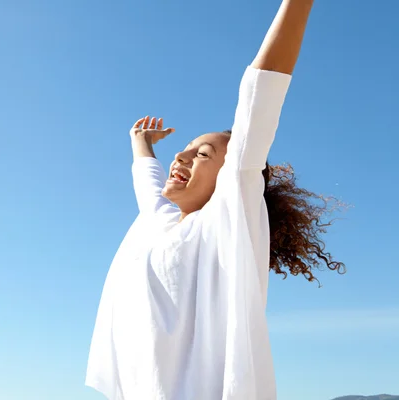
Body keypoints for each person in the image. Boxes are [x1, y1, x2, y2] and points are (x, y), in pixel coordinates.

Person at [85, 1, 345, 399]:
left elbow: (261, 92)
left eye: (202, 153)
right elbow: (148, 182)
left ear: (230, 176)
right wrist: (140, 142)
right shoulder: (162, 224)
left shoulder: (227, 218)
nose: (182, 156)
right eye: (186, 147)